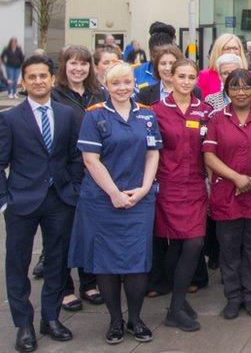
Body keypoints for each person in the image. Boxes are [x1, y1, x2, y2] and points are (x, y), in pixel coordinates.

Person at [70, 62, 161, 345]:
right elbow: (90, 159)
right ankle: (115, 320)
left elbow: (152, 153)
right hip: (102, 201)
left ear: (134, 83)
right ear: (106, 87)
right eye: (115, 84)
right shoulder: (95, 116)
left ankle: (135, 318)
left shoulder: (146, 115)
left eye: (126, 82)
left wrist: (145, 188)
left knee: (137, 262)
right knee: (106, 263)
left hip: (139, 200)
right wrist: (114, 193)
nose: (122, 88)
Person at [1, 55, 83, 352]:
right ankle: (23, 324)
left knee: (57, 262)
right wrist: (4, 201)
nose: (38, 81)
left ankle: (51, 318)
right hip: (21, 202)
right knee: (17, 264)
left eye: (43, 76)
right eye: (31, 77)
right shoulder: (9, 118)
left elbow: (75, 156)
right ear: (23, 82)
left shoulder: (66, 115)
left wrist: (72, 189)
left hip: (59, 199)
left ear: (52, 79)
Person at [204, 69, 251, 319]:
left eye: (246, 87)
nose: (241, 92)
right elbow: (208, 155)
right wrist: (236, 178)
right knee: (229, 246)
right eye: (235, 88)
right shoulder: (216, 118)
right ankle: (233, 295)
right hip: (227, 192)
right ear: (227, 91)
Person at [149, 60, 211, 332]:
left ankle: (177, 302)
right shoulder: (156, 112)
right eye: (181, 76)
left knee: (194, 243)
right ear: (170, 78)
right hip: (169, 187)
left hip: (196, 187)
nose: (186, 81)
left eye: (191, 77)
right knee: (175, 245)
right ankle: (177, 305)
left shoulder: (205, 111)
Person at [50, 46, 105, 312]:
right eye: (73, 63)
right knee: (62, 234)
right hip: (66, 173)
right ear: (64, 65)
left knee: (90, 232)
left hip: (93, 173)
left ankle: (88, 282)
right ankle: (64, 287)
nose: (78, 69)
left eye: (84, 64)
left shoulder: (98, 93)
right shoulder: (55, 95)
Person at [198, 33, 248, 98]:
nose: (232, 52)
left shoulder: (250, 75)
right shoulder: (205, 76)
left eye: (235, 48)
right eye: (227, 48)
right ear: (218, 51)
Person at [133, 21, 177, 90]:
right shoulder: (137, 72)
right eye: (156, 56)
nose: (159, 61)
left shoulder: (181, 72)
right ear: (150, 53)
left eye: (163, 56)